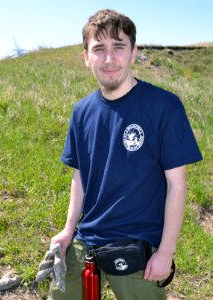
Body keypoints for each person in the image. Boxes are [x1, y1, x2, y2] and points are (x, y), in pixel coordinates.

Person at [48, 9, 202, 300]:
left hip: (138, 249)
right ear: (85, 57)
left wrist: (166, 252)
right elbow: (79, 176)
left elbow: (177, 184)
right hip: (85, 242)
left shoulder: (164, 106)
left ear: (133, 54)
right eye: (99, 49)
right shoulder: (81, 112)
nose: (109, 59)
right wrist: (68, 230)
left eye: (118, 47)